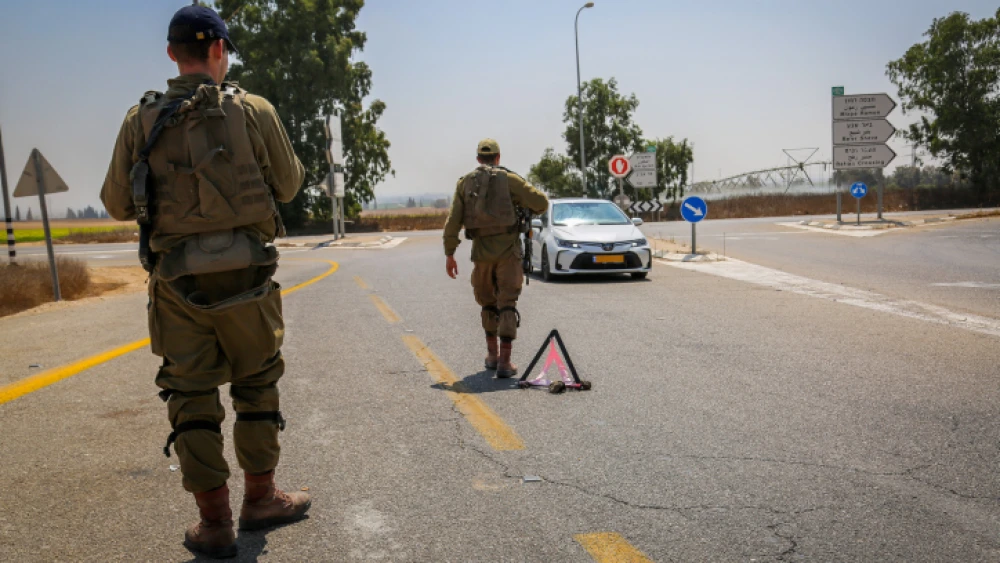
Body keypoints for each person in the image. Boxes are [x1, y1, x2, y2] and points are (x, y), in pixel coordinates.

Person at [100, 5, 309, 558]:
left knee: (191, 396)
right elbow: (288, 186)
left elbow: (116, 202)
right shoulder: (255, 109)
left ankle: (215, 524)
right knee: (257, 384)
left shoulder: (138, 120)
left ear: (171, 53)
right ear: (220, 49)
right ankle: (261, 499)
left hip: (176, 286)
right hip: (249, 283)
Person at [443, 139, 549, 377]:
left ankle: (491, 355)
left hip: (480, 253)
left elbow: (453, 221)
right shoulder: (510, 180)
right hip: (508, 253)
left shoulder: (464, 183)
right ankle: (505, 361)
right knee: (507, 303)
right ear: (498, 157)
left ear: (478, 159)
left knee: (487, 302)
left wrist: (450, 254)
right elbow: (541, 203)